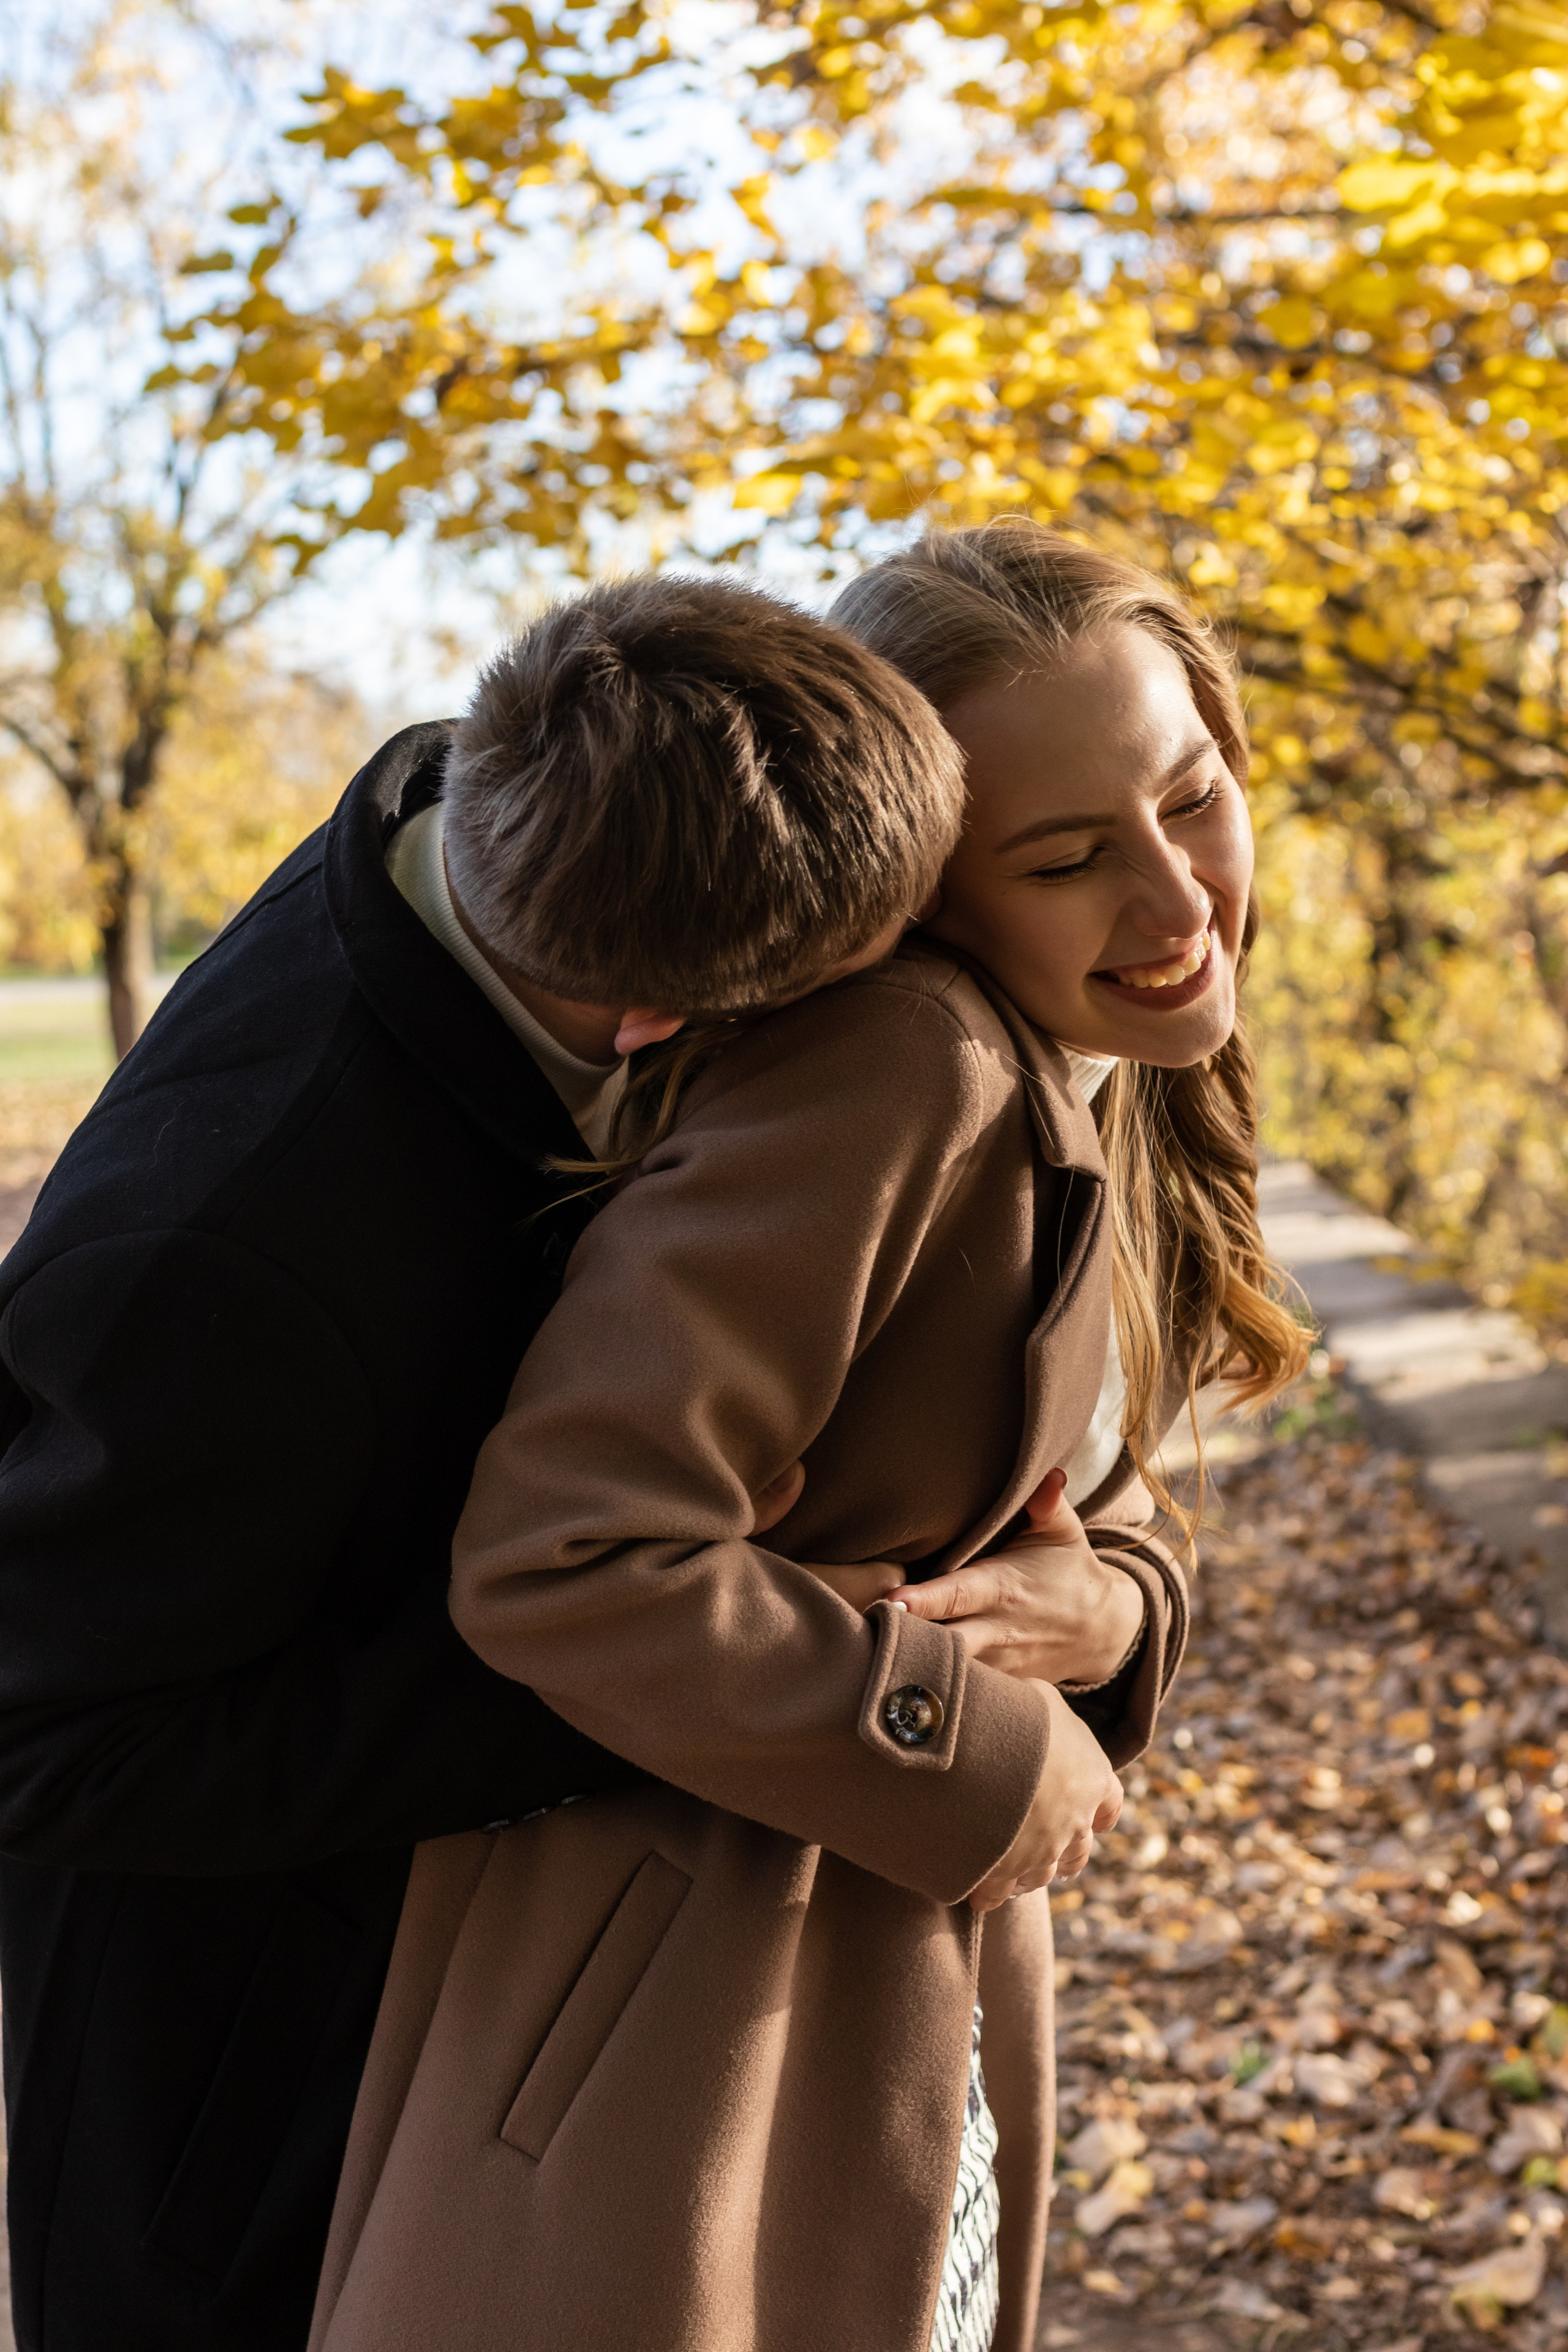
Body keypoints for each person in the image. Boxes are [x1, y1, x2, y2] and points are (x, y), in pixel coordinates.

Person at [304, 523, 1309, 2352]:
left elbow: (1061, 1490)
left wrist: (1123, 1614)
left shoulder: (1086, 1062)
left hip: (873, 1966)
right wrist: (988, 1758)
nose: (1176, 904)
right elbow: (565, 1553)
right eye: (1070, 858)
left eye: (1193, 798)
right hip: (691, 2017)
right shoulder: (901, 1067)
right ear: (926, 893)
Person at [0, 575, 967, 2352]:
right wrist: (637, 1655)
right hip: (248, 2080)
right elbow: (51, 1744)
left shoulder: (533, 802)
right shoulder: (208, 1258)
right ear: (662, 1034)